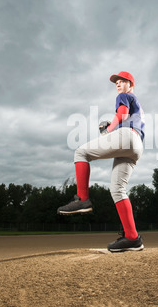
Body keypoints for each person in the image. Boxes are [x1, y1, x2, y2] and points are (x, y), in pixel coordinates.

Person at [57, 71, 145, 252]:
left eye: (122, 81)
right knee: (118, 190)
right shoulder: (137, 104)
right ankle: (132, 238)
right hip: (136, 146)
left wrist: (109, 129)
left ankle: (82, 199)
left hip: (127, 137)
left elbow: (121, 114)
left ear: (131, 85)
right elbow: (126, 118)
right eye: (117, 83)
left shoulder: (125, 96)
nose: (118, 85)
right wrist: (112, 127)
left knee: (81, 152)